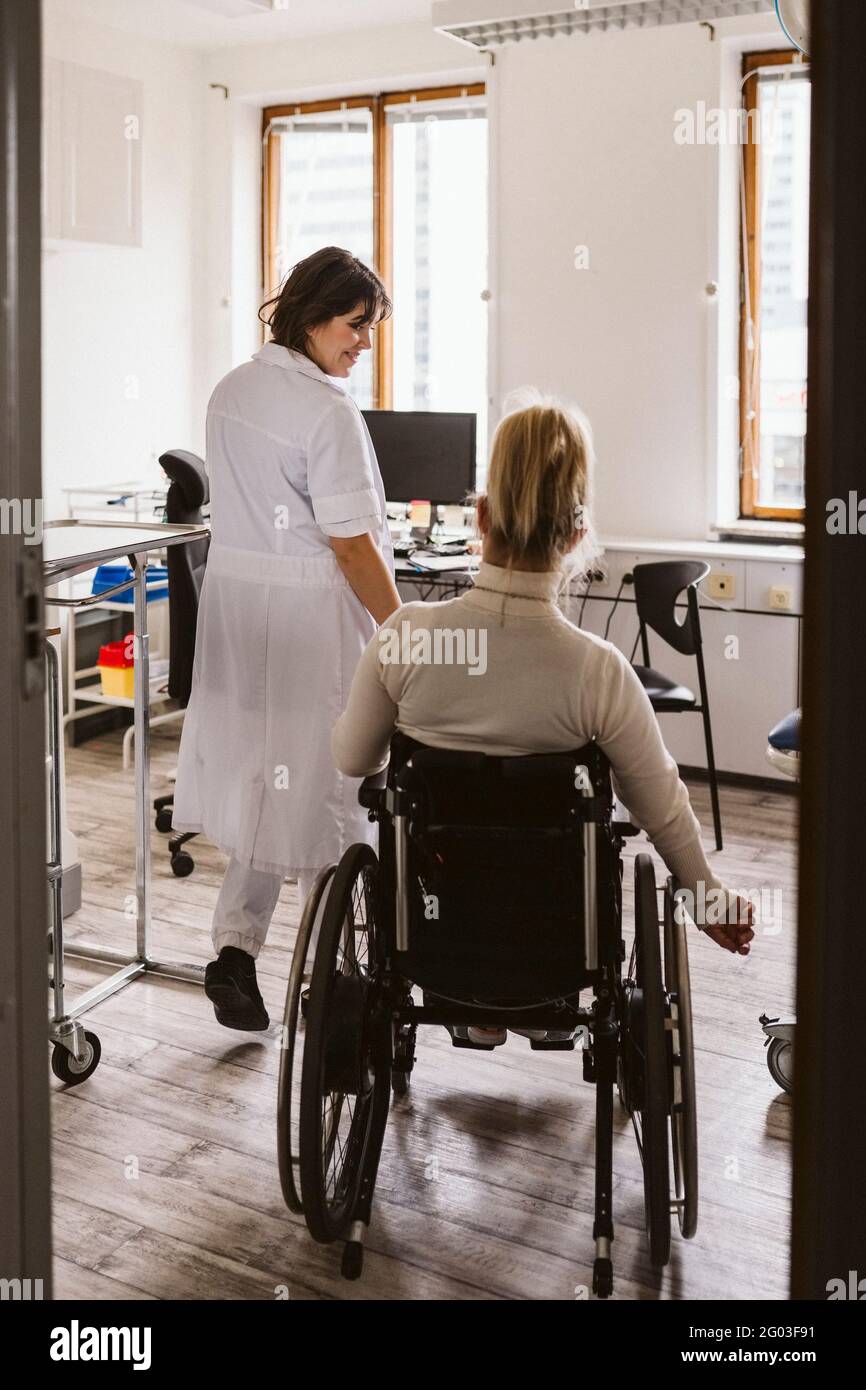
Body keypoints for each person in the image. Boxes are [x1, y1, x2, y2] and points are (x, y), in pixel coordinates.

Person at [332, 398, 754, 1046]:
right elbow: (660, 805)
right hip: (558, 946)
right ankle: (531, 1002)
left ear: (480, 517)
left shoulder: (406, 638)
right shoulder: (600, 672)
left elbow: (353, 760)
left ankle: (475, 1003)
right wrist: (705, 895)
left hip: (433, 936)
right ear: (577, 537)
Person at [172, 247, 401, 1030]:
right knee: (333, 794)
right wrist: (400, 630)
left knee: (268, 787)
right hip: (310, 621)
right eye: (354, 324)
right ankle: (333, 980)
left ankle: (234, 952)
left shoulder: (231, 390)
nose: (364, 342)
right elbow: (350, 543)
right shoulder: (327, 411)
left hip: (240, 615)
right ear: (310, 317)